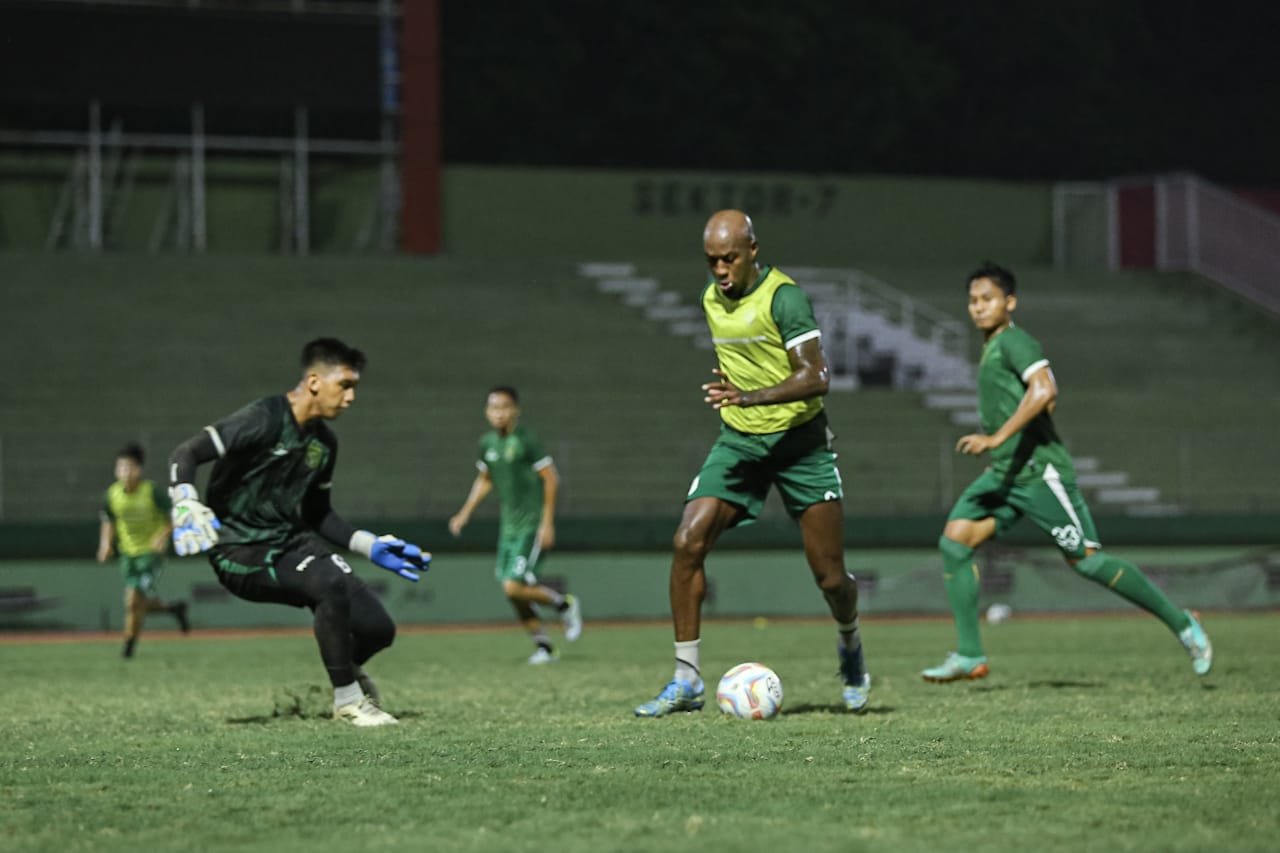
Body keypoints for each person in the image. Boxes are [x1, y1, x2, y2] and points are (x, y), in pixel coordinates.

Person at [922, 262, 1213, 682]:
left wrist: (996, 438)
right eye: (972, 301)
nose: (979, 307)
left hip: (1041, 474)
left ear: (1010, 302)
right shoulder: (994, 347)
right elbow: (1040, 393)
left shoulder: (1015, 341)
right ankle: (970, 654)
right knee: (955, 542)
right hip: (1005, 475)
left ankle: (1184, 623)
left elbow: (1046, 390)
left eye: (987, 299)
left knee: (1087, 562)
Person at [634, 209, 871, 717]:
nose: (720, 270)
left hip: (800, 443)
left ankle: (850, 643)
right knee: (686, 541)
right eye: (711, 261)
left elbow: (818, 375)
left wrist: (750, 395)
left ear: (753, 251)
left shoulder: (785, 298)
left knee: (830, 578)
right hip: (740, 441)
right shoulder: (709, 300)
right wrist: (737, 390)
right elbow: (744, 358)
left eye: (729, 259)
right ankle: (687, 679)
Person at [167, 337, 431, 727]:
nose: (351, 397)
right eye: (345, 385)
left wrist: (369, 544)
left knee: (378, 628)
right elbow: (185, 453)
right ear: (313, 382)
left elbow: (317, 513)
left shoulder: (324, 444)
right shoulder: (264, 417)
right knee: (327, 582)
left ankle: (345, 671)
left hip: (291, 542)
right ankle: (347, 702)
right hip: (240, 551)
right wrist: (185, 500)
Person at [448, 386, 582, 664]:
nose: (498, 413)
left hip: (530, 525)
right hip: (508, 529)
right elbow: (485, 479)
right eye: (493, 408)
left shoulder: (526, 440)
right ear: (487, 412)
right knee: (512, 592)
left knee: (513, 586)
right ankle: (545, 647)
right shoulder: (488, 443)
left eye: (504, 407)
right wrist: (464, 513)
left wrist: (547, 523)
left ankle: (564, 604)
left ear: (515, 411)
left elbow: (551, 479)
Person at [97, 442, 190, 658]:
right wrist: (106, 545)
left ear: (138, 469)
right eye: (120, 468)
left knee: (132, 599)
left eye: (129, 468)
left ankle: (128, 645)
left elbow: (174, 517)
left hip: (151, 555)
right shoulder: (111, 495)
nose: (124, 472)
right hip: (127, 555)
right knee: (137, 602)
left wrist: (162, 535)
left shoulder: (152, 492)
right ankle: (173, 609)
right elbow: (108, 521)